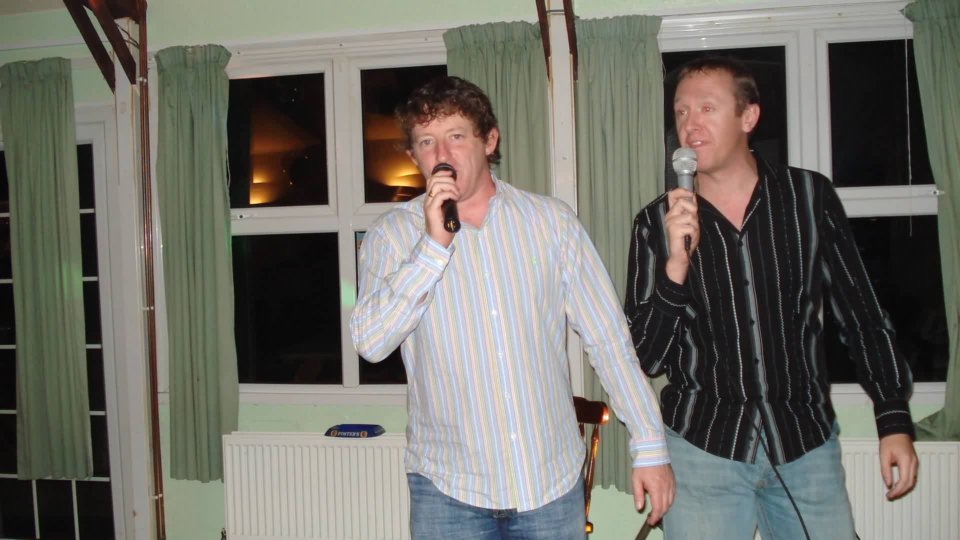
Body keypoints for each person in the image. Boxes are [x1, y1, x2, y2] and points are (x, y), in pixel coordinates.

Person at [350, 75, 674, 539]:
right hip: (447, 490)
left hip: (548, 485)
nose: (442, 154)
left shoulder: (551, 223)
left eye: (456, 136)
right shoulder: (392, 235)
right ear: (413, 156)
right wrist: (433, 247)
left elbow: (609, 340)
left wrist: (649, 446)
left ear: (489, 141)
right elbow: (370, 343)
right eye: (426, 141)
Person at [625, 56, 919, 539]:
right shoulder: (655, 223)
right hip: (702, 449)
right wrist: (675, 268)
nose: (689, 125)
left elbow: (861, 312)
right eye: (681, 111)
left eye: (706, 108)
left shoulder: (809, 198)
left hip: (803, 445)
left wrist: (893, 418)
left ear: (748, 116)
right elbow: (644, 357)